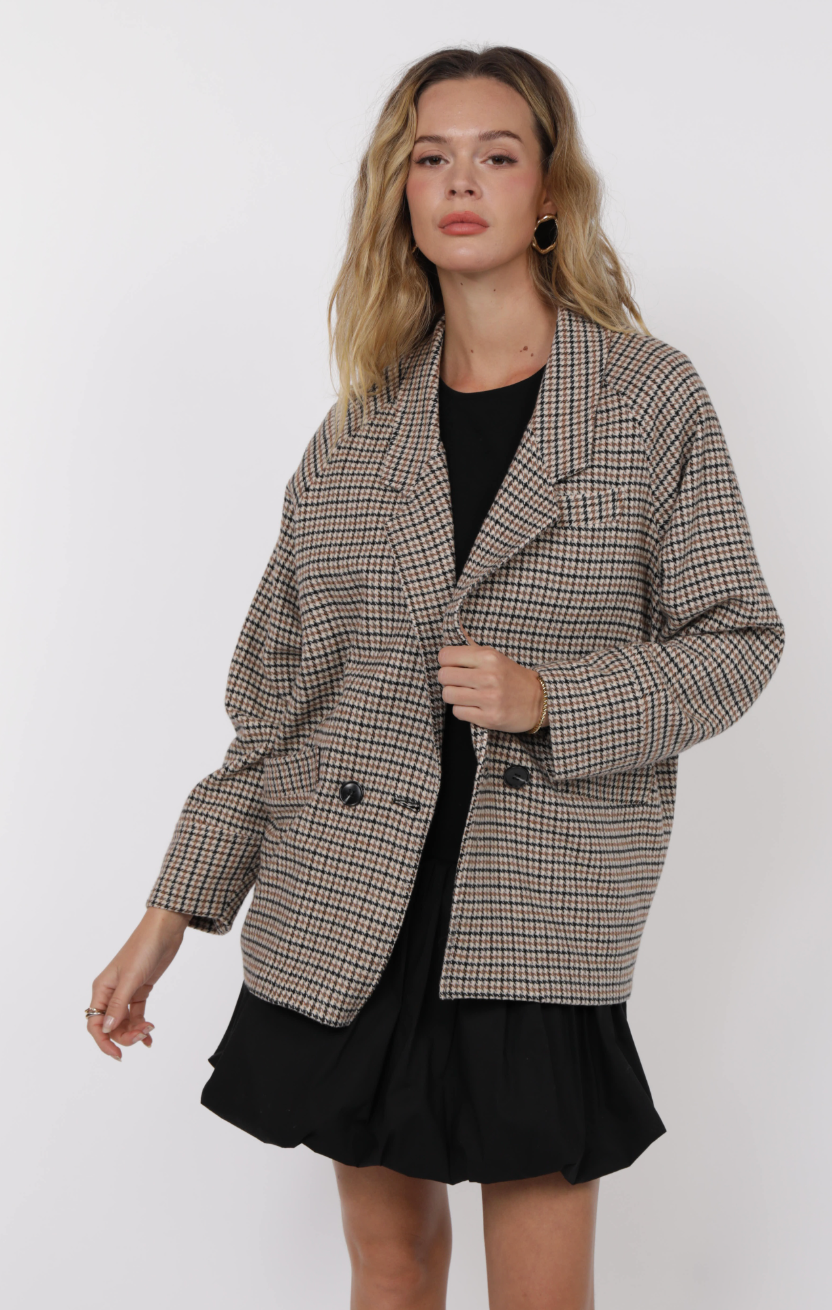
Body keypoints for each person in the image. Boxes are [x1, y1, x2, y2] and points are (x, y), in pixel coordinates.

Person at [86, 45, 784, 1310]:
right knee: (392, 1264)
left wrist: (553, 698)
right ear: (399, 193)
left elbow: (737, 636)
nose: (461, 181)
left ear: (548, 191)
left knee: (540, 1292)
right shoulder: (357, 429)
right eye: (431, 157)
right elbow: (275, 708)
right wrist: (168, 916)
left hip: (538, 912)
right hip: (346, 904)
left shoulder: (645, 398)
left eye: (496, 155)